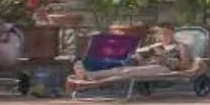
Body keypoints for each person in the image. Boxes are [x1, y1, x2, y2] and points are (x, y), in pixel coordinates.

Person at [65, 24, 199, 92]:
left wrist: (167, 61)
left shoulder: (179, 47)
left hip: (163, 68)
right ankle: (90, 74)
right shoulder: (155, 46)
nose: (164, 36)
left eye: (167, 33)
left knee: (126, 73)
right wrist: (137, 56)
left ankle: (91, 75)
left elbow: (185, 65)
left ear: (172, 34)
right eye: (162, 34)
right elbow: (139, 56)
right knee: (120, 70)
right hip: (147, 66)